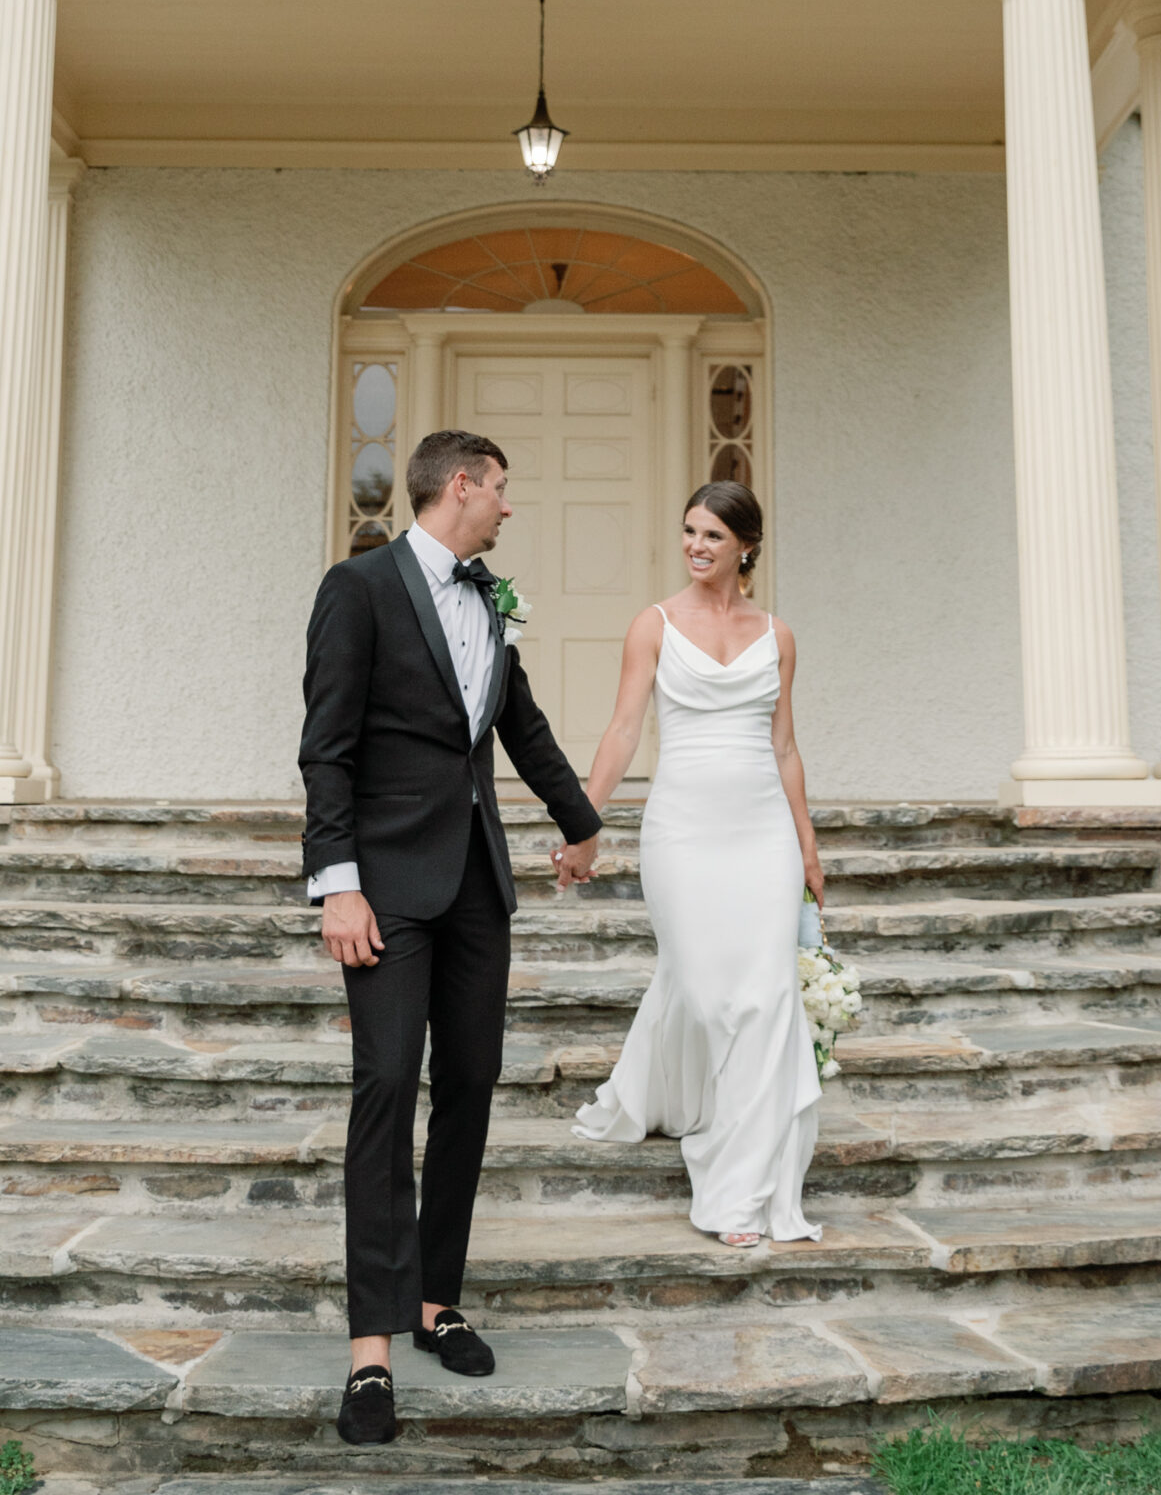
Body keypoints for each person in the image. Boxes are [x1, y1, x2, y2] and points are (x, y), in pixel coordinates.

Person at [299, 429, 604, 1446]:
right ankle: (371, 1351)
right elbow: (327, 749)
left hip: (477, 884)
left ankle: (436, 1299)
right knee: (387, 1085)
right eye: (503, 490)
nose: (510, 508)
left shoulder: (488, 595)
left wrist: (581, 820)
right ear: (461, 486)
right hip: (384, 889)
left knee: (469, 1081)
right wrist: (337, 886)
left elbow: (518, 724)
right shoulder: (360, 588)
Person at [561, 481, 825, 1249]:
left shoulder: (778, 635)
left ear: (745, 545)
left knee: (766, 1000)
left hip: (762, 835)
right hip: (681, 832)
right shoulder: (652, 624)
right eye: (688, 532)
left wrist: (807, 846)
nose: (695, 547)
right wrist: (582, 825)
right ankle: (680, 1099)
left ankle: (732, 1192)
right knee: (710, 996)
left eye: (712, 535)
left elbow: (783, 746)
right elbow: (620, 730)